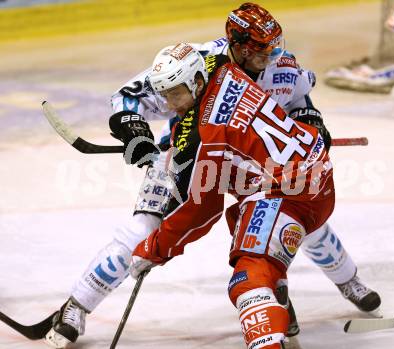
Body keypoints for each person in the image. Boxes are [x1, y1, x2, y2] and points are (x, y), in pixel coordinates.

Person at [44, 3, 381, 348]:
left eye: (274, 46)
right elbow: (131, 97)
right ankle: (77, 306)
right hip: (192, 158)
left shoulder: (280, 63)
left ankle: (344, 282)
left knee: (302, 223)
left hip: (252, 167)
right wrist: (137, 135)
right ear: (238, 45)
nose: (273, 55)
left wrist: (312, 121)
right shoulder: (196, 63)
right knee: (142, 229)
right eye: (263, 49)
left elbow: (300, 101)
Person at [130, 41, 336, 349]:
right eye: (165, 95)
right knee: (246, 228)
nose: (171, 105)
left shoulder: (204, 136)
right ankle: (279, 301)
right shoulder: (220, 66)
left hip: (290, 194)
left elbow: (202, 210)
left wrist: (155, 247)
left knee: (247, 279)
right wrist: (180, 147)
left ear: (197, 82)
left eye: (176, 93)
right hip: (313, 172)